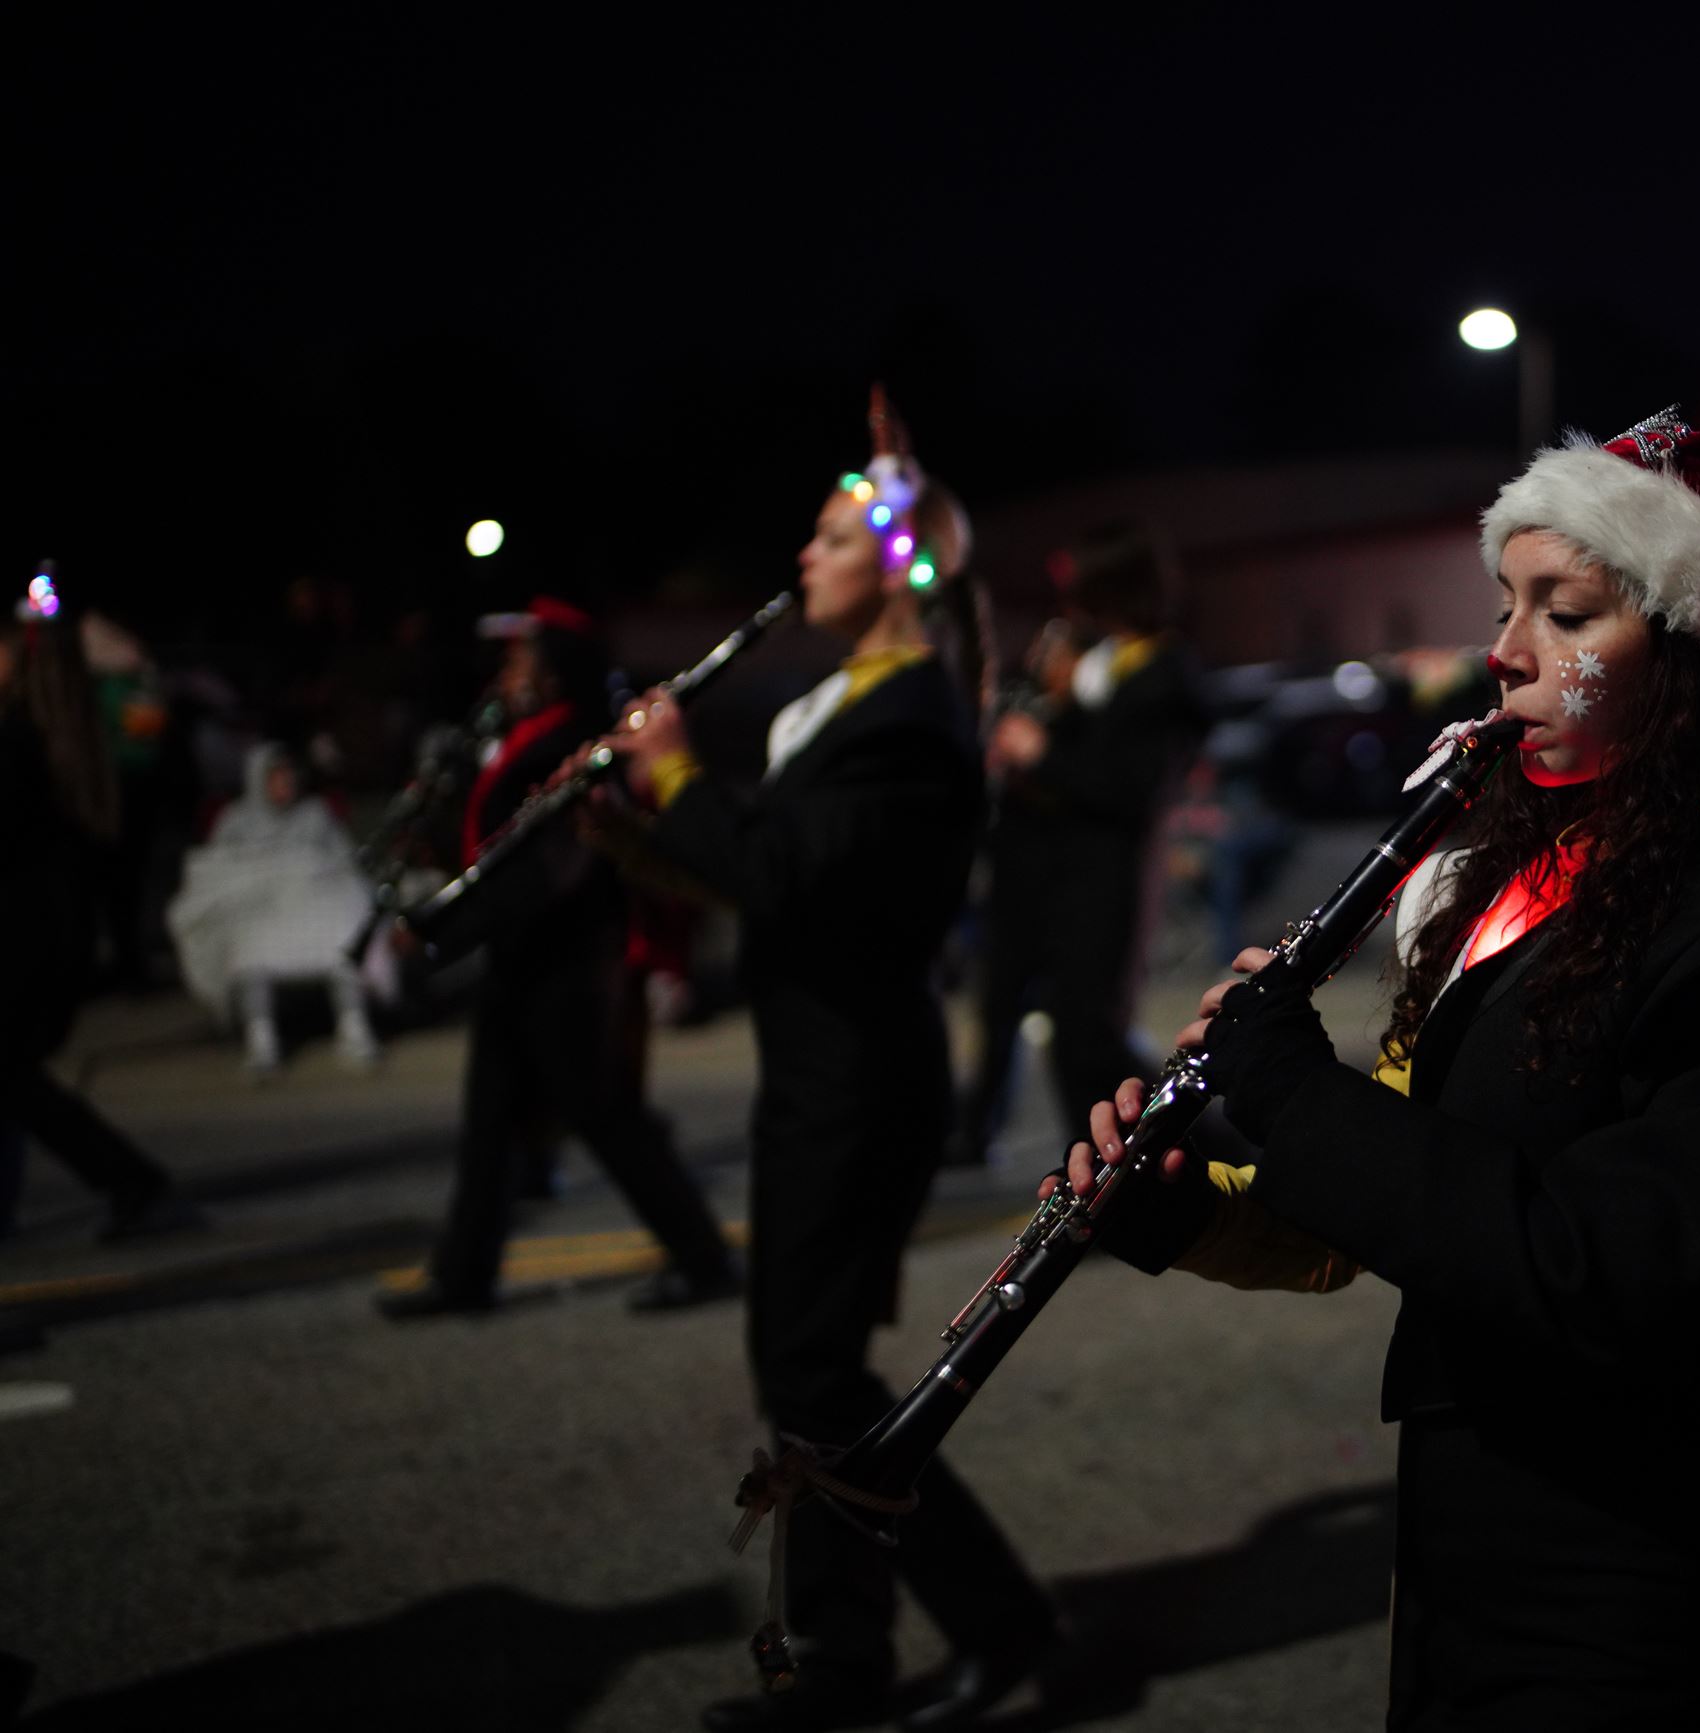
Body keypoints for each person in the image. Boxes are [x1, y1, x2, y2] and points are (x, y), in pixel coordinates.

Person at [1066, 412, 1700, 1728]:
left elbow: (1601, 1267)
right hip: (1471, 1543)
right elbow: (1417, 1193)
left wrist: (1298, 1089)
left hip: (1624, 1584)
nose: (1505, 650)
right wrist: (1186, 1209)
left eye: (1569, 611)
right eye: (1507, 603)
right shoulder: (1530, 886)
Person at [599, 393, 1063, 1733]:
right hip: (821, 1067)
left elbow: (779, 872)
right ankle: (847, 1658)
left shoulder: (912, 713)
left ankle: (981, 1626)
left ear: (902, 565)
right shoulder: (847, 700)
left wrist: (679, 779)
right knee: (806, 1375)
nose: (802, 558)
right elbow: (764, 868)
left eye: (830, 536)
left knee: (819, 1379)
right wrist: (631, 820)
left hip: (859, 1079)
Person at [378, 598, 739, 1320]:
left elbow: (543, 871)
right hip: (526, 958)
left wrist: (447, 926)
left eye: (523, 655)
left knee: (605, 1115)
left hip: (566, 961)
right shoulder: (523, 735)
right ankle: (464, 1273)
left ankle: (704, 1257)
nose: (510, 668)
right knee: (490, 1119)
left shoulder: (571, 743)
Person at [960, 522, 1207, 1162]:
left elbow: (1126, 786)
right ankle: (1094, 1164)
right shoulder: (1099, 662)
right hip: (1051, 876)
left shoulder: (1162, 673)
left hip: (1105, 879)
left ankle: (1194, 1136)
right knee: (1061, 1032)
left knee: (1089, 1035)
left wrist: (1042, 751)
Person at [0, 572, 204, 1242]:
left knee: (18, 1085)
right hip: (50, 932)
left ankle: (137, 1184)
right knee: (17, 1085)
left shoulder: (18, 740)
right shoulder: (60, 729)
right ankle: (132, 1184)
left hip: (26, 938)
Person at [167, 741, 380, 1075]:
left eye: (288, 777)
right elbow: (218, 874)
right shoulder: (236, 821)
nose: (285, 785)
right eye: (276, 778)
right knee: (251, 951)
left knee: (344, 936)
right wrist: (265, 870)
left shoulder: (315, 814)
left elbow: (345, 862)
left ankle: (354, 1025)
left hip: (313, 909)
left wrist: (308, 868)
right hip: (262, 914)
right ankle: (261, 1036)